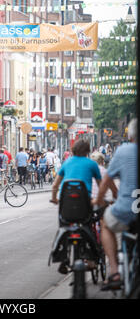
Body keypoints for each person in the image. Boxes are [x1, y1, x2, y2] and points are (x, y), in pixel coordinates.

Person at [93, 118, 138, 291]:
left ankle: (114, 273)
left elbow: (106, 181)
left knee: (105, 223)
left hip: (128, 209)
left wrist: (99, 200)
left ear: (131, 135)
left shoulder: (124, 150)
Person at [50, 139, 102, 204]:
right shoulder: (92, 164)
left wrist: (54, 198)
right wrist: (98, 200)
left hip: (65, 198)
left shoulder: (66, 163)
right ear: (87, 151)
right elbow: (101, 186)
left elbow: (55, 185)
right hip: (85, 199)